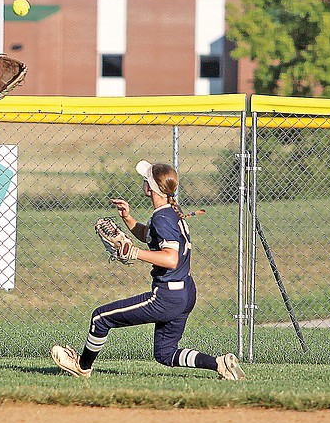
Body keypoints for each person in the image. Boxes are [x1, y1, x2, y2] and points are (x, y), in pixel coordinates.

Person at [51, 160, 246, 381]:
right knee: (165, 353)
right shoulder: (170, 211)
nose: (143, 181)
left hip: (167, 297)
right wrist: (128, 218)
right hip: (185, 292)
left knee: (100, 318)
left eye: (145, 179)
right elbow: (151, 237)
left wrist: (134, 253)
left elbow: (170, 259)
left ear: (151, 187)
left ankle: (82, 367)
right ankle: (220, 364)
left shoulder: (162, 217)